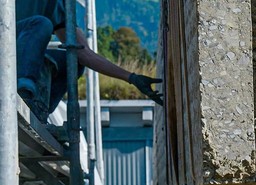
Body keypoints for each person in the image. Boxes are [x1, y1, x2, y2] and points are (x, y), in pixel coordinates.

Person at [15, 0, 162, 123]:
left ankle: (39, 109)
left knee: (71, 61)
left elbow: (83, 52)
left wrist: (132, 78)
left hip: (22, 60)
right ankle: (23, 93)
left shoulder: (56, 4)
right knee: (41, 24)